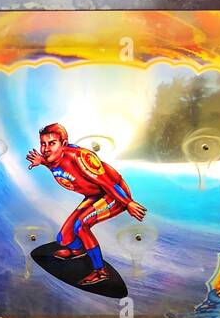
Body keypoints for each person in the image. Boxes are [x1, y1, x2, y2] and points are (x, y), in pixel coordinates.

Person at [27, 122, 146, 287]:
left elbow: (108, 184)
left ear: (63, 144)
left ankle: (100, 271)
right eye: (43, 144)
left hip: (114, 195)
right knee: (64, 238)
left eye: (51, 143)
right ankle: (79, 251)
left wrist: (128, 203)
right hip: (95, 196)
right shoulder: (51, 158)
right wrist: (42, 162)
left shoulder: (81, 158)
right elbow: (57, 166)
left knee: (81, 226)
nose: (46, 149)